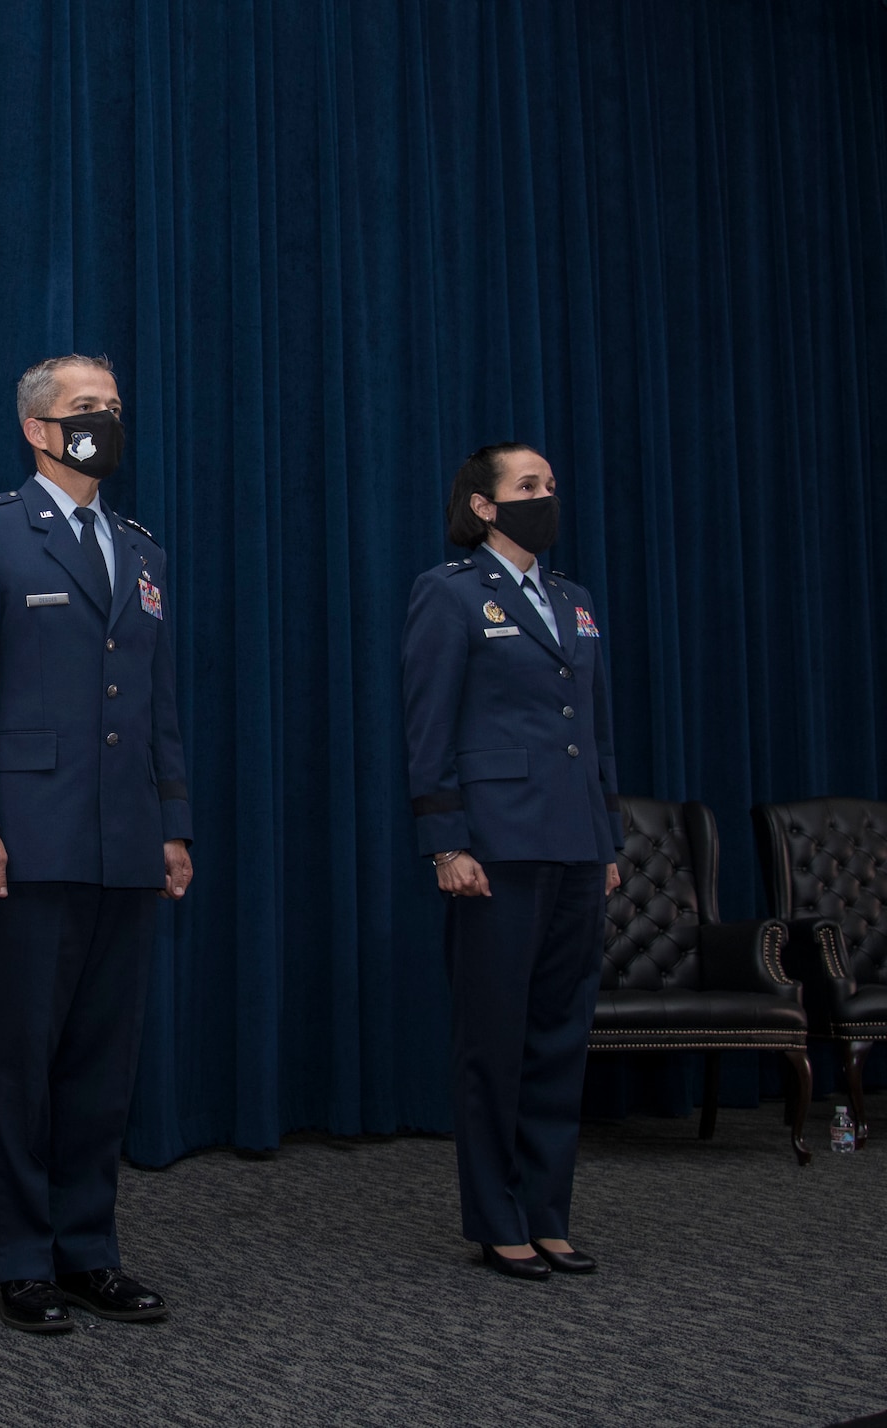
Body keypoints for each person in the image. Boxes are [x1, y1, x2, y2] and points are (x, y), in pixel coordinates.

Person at [0, 354, 193, 1334]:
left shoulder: (142, 551)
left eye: (113, 409)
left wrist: (172, 824)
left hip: (124, 840)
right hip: (25, 841)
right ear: (38, 430)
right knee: (26, 1059)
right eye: (86, 411)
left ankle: (89, 1249)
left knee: (99, 1063)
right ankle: (18, 1258)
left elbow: (158, 708)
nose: (104, 424)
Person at [400, 443, 623, 1282]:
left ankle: (548, 1213)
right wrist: (447, 841)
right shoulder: (451, 594)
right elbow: (429, 731)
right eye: (527, 487)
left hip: (575, 845)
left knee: (560, 1039)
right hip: (495, 847)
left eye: (551, 487)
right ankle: (499, 1222)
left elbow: (595, 733)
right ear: (484, 506)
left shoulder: (576, 600)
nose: (545, 498)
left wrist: (607, 840)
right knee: (493, 1040)